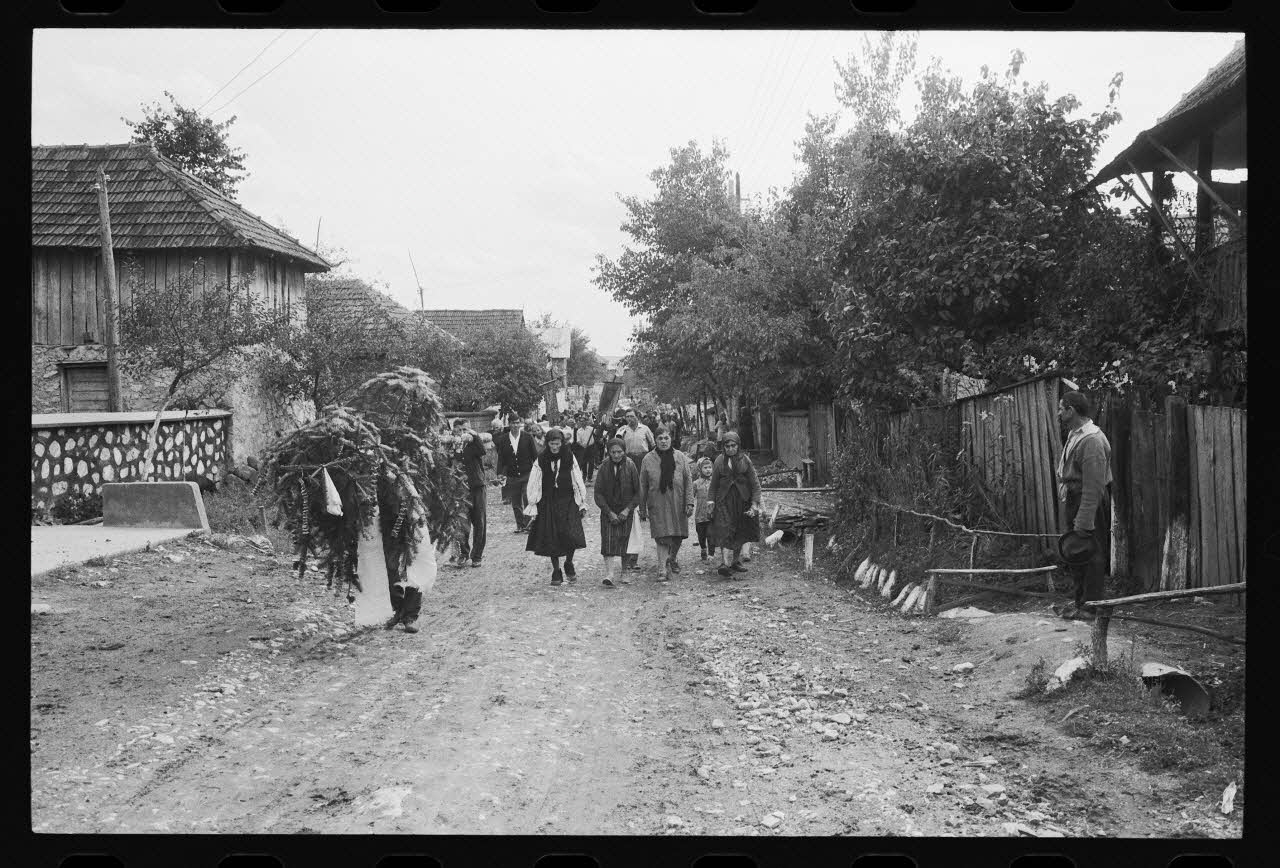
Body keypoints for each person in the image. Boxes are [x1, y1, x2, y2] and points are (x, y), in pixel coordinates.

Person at [1055, 390, 1113, 618]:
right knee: (1077, 553)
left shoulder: (1092, 441)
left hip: (1089, 501)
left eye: (1062, 409)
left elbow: (1094, 486)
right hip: (1075, 498)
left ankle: (1092, 607)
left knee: (1091, 554)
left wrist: (1084, 520)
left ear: (1071, 410)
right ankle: (1080, 603)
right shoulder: (1075, 433)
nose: (1059, 413)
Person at [524, 427, 588, 586]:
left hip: (567, 500)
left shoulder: (569, 456)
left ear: (562, 443)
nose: (554, 447)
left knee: (570, 533)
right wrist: (533, 503)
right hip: (549, 501)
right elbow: (534, 482)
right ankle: (556, 570)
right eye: (552, 444)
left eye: (557, 444)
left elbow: (577, 478)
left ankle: (569, 562)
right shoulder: (541, 459)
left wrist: (581, 501)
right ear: (548, 443)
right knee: (551, 536)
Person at [638, 427, 695, 582]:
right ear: (655, 440)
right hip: (658, 503)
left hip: (678, 501)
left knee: (678, 535)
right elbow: (642, 485)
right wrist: (642, 508)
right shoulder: (648, 459)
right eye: (660, 438)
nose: (663, 441)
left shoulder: (680, 456)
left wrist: (689, 502)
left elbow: (688, 480)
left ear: (671, 439)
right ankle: (662, 568)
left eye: (666, 438)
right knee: (662, 536)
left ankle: (672, 558)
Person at [707, 430, 762, 578]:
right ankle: (725, 563)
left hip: (742, 500)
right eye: (727, 446)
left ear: (738, 446)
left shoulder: (745, 460)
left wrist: (755, 503)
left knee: (739, 530)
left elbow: (755, 482)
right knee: (725, 529)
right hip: (724, 500)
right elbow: (713, 484)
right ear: (723, 447)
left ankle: (735, 561)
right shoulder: (719, 461)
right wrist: (710, 500)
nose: (730, 449)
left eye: (733, 445)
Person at [594, 437, 640, 588]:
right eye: (613, 452)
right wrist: (608, 512)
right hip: (609, 510)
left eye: (619, 452)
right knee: (608, 541)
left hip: (626, 511)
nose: (616, 455)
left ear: (624, 451)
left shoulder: (631, 465)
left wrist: (627, 510)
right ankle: (609, 573)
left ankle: (625, 571)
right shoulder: (603, 467)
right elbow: (598, 493)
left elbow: (638, 492)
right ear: (608, 452)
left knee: (625, 541)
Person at [616, 409, 655, 569]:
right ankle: (634, 506)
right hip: (628, 458)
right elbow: (617, 445)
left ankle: (644, 510)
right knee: (631, 486)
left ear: (637, 417)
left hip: (643, 458)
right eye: (627, 417)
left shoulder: (645, 429)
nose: (630, 419)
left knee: (644, 485)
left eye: (632, 416)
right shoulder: (622, 430)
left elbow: (652, 445)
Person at [449, 417, 487, 568]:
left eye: (465, 430)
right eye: (459, 430)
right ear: (454, 431)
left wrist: (474, 435)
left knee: (480, 522)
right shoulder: (452, 446)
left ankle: (477, 555)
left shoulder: (474, 443)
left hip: (477, 486)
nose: (462, 433)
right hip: (460, 489)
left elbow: (482, 451)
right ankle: (463, 554)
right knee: (461, 523)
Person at [493, 416, 537, 533]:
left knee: (527, 498)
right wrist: (500, 473)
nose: (516, 425)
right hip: (512, 475)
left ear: (520, 424)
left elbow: (535, 456)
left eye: (518, 423)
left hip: (527, 473)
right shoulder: (503, 439)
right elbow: (501, 458)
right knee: (516, 501)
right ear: (509, 424)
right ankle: (520, 525)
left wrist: (538, 471)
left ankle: (529, 524)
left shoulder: (527, 437)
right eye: (513, 423)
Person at [692, 457, 716, 562]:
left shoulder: (715, 482)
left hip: (712, 514)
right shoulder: (696, 483)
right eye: (705, 467)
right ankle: (703, 549)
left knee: (711, 534)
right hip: (700, 515)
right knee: (701, 535)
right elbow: (690, 497)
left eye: (710, 467)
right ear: (700, 469)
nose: (708, 470)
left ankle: (711, 554)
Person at [574, 414, 598, 482]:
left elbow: (597, 432)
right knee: (584, 462)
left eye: (583, 421)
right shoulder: (579, 431)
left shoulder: (590, 428)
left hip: (591, 447)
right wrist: (583, 445)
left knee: (591, 462)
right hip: (583, 448)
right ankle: (584, 476)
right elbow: (578, 441)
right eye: (581, 421)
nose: (582, 422)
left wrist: (596, 425)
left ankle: (589, 477)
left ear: (586, 422)